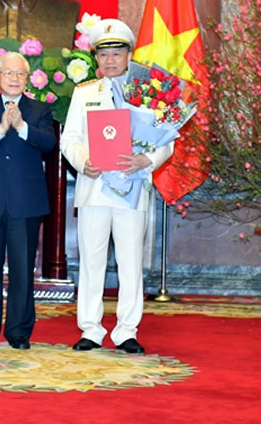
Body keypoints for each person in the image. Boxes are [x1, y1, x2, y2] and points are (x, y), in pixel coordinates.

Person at [60, 19, 174, 355]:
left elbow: (167, 141)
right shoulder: (84, 93)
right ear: (95, 57)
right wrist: (83, 161)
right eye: (103, 54)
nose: (110, 60)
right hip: (95, 188)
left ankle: (126, 330)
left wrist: (146, 160)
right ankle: (91, 329)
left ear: (129, 55)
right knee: (92, 262)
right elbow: (70, 139)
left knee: (130, 262)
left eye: (116, 53)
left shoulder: (147, 93)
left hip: (132, 189)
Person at [0, 52, 56, 350]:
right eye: (8, 73)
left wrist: (21, 126)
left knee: (22, 269)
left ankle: (19, 331)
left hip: (26, 202)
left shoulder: (40, 109)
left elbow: (49, 143)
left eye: (20, 73)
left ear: (27, 79)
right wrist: (2, 128)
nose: (14, 78)